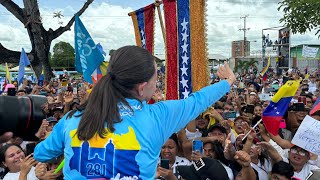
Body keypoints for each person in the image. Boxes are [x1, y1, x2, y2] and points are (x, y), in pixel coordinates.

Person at [33, 46, 236, 179]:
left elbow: (41, 153)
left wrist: (54, 137)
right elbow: (196, 102)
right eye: (156, 78)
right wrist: (227, 82)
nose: (157, 82)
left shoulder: (72, 119)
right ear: (142, 87)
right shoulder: (158, 117)